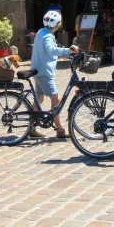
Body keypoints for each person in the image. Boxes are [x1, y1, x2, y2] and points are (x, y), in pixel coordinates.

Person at [29, 10, 80, 139]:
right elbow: (51, 49)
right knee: (55, 99)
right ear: (58, 24)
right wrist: (67, 50)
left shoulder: (41, 32)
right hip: (44, 72)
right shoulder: (47, 36)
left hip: (37, 70)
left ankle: (31, 127)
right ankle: (59, 130)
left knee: (39, 98)